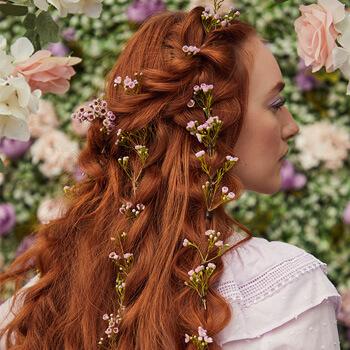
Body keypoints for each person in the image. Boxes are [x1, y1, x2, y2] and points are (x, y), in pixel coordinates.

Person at [0, 4, 341, 350]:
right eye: (275, 103)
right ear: (212, 120)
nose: (292, 126)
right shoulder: (286, 295)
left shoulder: (46, 298)